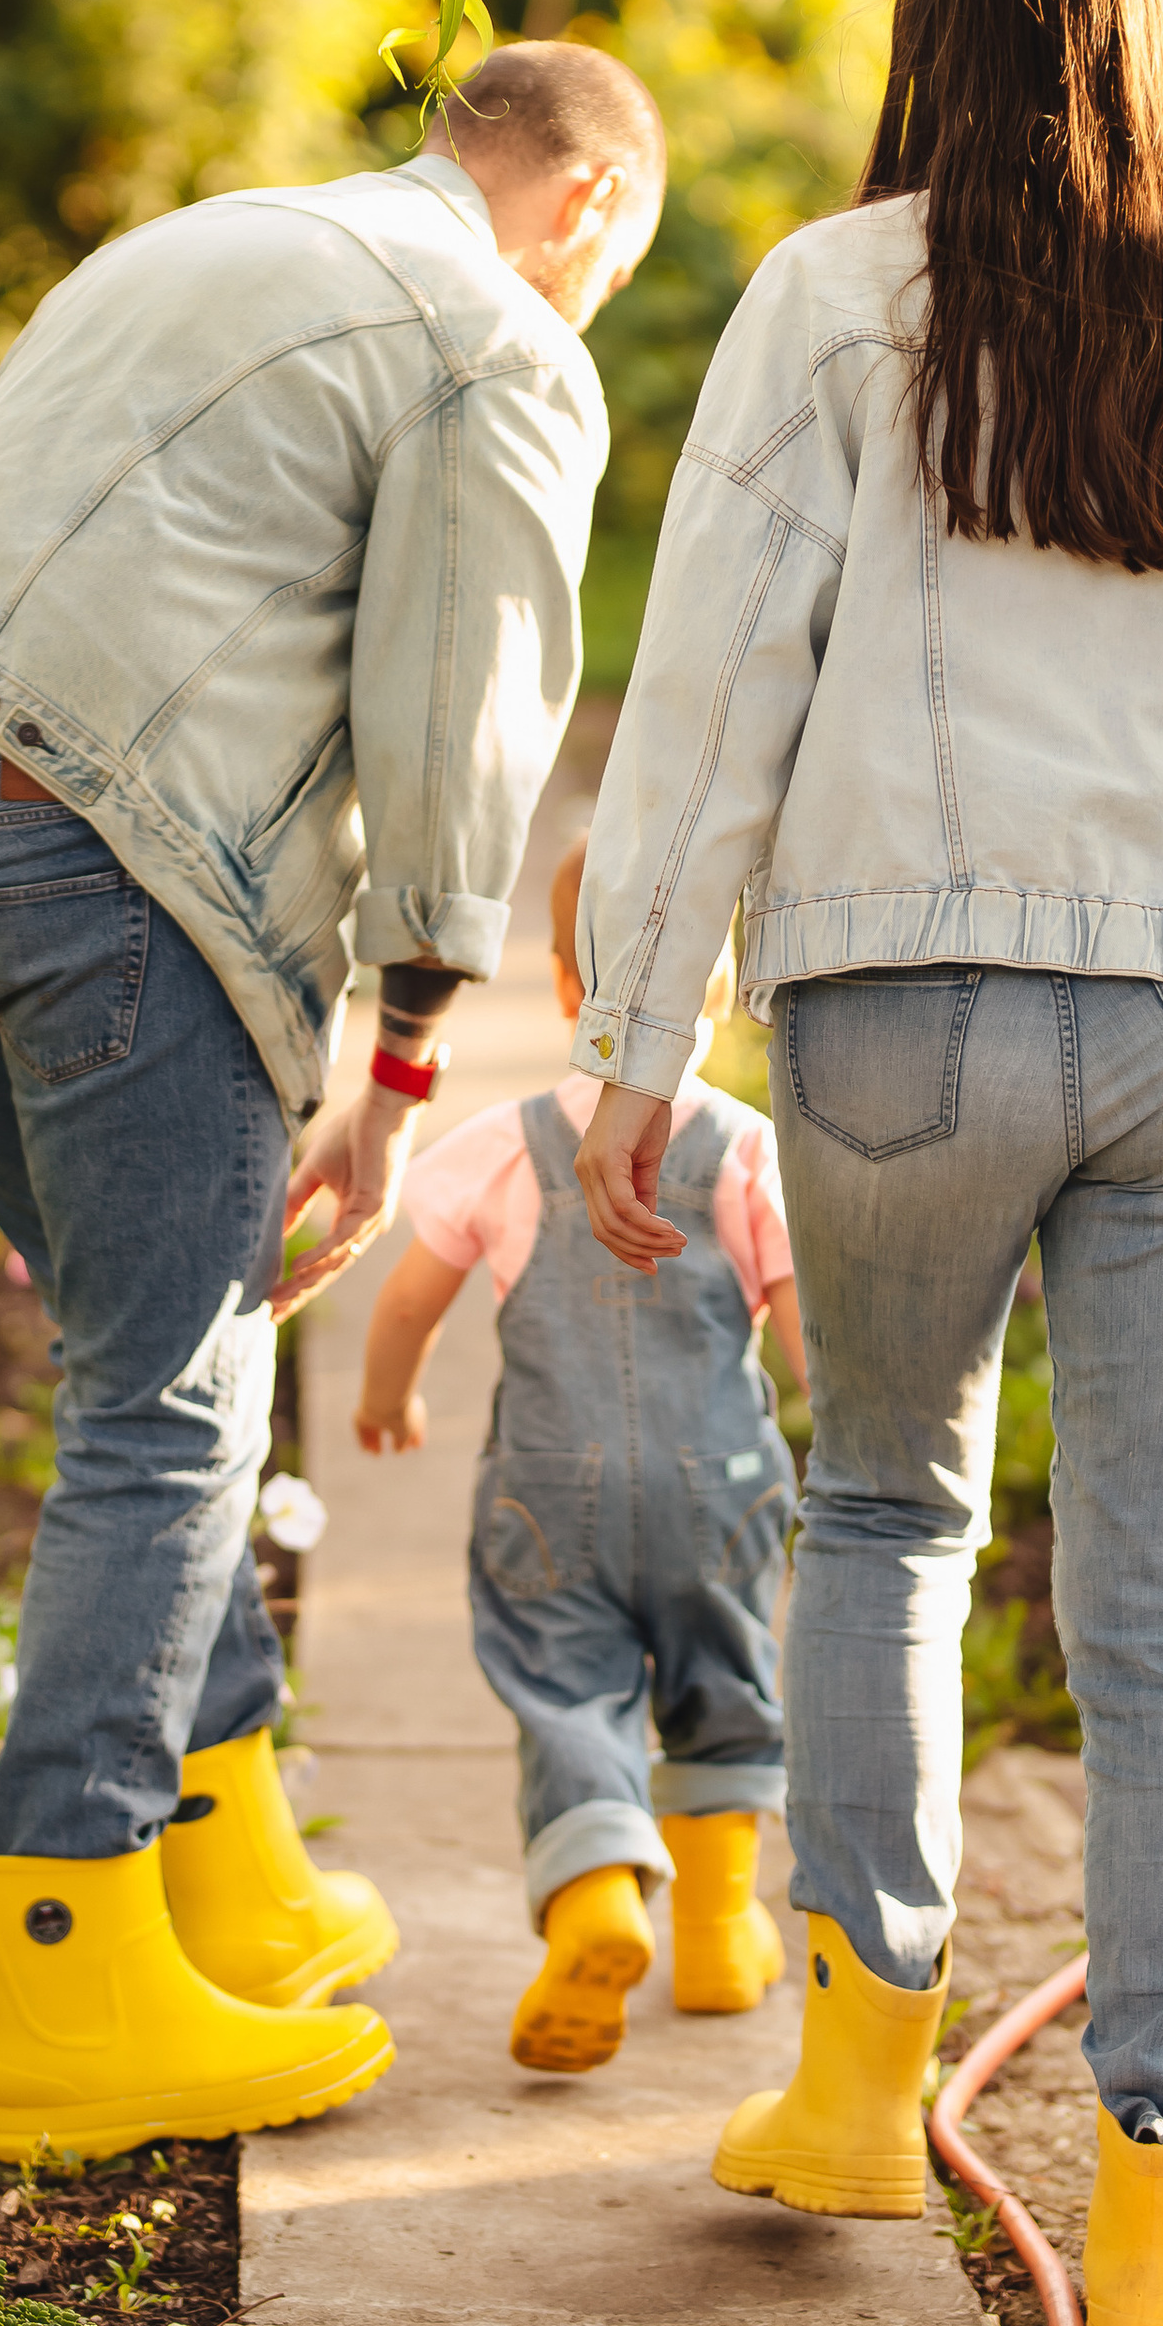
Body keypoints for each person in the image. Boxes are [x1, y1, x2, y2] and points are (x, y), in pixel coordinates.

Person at [569, 0, 1163, 2326]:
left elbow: (717, 672)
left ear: (923, 48)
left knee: (880, 1505)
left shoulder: (830, 297)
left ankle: (859, 2086)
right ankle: (1160, 2220)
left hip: (899, 1009)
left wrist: (638, 1035)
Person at [0, 45, 666, 2165]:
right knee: (169, 1396)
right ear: (590, 209)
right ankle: (72, 1975)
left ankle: (225, 1860)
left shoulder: (208, 238)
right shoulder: (500, 340)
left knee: (148, 1343)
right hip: (83, 840)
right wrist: (392, 1060)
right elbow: (464, 719)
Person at [354, 835, 805, 2074]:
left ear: (562, 986)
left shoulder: (507, 1144)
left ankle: (600, 1892)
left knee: (566, 1691)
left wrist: (387, 1400)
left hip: (548, 1490)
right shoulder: (751, 1151)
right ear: (721, 988)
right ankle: (717, 1932)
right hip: (715, 1483)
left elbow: (406, 1301)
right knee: (725, 1681)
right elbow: (806, 1327)